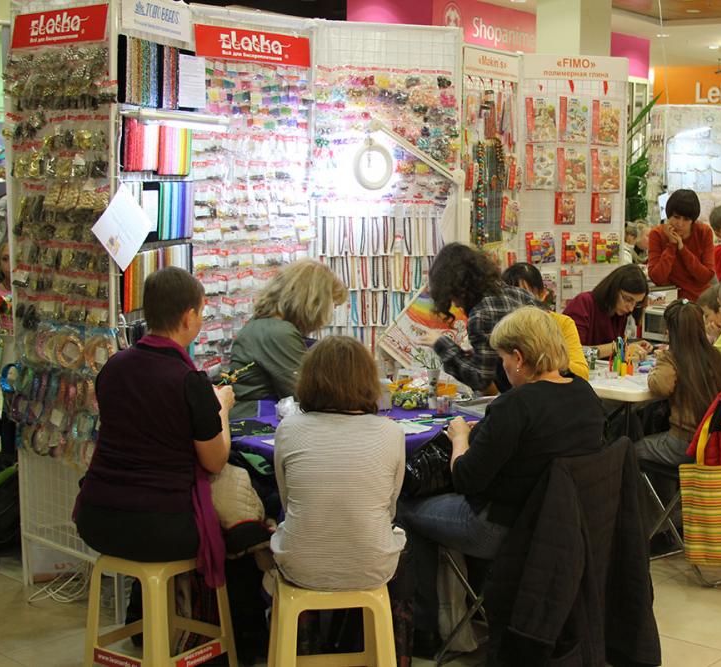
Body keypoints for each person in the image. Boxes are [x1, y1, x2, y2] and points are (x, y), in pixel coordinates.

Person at [398, 306, 604, 651]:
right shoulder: (585, 395)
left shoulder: (514, 406)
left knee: (404, 508)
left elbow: (466, 479)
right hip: (560, 526)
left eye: (503, 359)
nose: (503, 367)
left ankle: (424, 630)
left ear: (519, 358)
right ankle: (471, 601)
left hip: (502, 528)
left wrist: (460, 437)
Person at [75, 267, 233, 564]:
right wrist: (221, 407)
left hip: (95, 519)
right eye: (201, 313)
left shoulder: (113, 368)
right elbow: (215, 461)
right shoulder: (190, 382)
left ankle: (146, 596)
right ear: (188, 317)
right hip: (163, 526)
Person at [272, 336, 406, 590]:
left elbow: (287, 501)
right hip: (373, 566)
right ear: (369, 380)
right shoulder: (391, 432)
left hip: (300, 565)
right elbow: (390, 507)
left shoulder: (288, 428)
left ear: (308, 379)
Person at [229, 259, 347, 419]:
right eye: (332, 302)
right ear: (314, 301)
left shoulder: (266, 325)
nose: (331, 311)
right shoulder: (277, 333)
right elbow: (305, 394)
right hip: (259, 419)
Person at [424, 243, 538, 393]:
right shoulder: (521, 295)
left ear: (459, 288)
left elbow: (481, 379)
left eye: (452, 296)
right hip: (552, 392)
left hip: (524, 399)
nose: (455, 304)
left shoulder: (481, 314)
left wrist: (442, 345)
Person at [633, 300, 721, 466]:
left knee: (631, 450)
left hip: (683, 442)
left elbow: (660, 386)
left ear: (669, 330)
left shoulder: (672, 357)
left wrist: (656, 367)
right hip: (711, 441)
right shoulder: (715, 355)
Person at [501, 262, 589, 379]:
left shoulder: (561, 323)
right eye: (512, 297)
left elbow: (582, 374)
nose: (519, 303)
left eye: (526, 296)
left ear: (542, 295)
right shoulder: (500, 328)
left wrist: (543, 353)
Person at [562, 263, 652, 360]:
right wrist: (620, 347)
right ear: (613, 289)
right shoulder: (583, 303)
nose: (631, 308)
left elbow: (610, 352)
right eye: (628, 299)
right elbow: (575, 353)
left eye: (637, 303)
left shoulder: (619, 313)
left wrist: (630, 347)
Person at [647, 189, 716, 300]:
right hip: (670, 300)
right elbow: (657, 278)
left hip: (700, 299)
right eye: (676, 217)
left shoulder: (704, 232)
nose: (680, 224)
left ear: (693, 220)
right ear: (669, 215)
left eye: (686, 219)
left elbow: (706, 277)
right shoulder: (657, 234)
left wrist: (683, 249)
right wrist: (672, 245)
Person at [0, 236, 15, 466]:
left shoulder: (27, 293)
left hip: (27, 354)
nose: (9, 265)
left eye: (12, 259)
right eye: (4, 259)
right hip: (5, 357)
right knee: (8, 409)